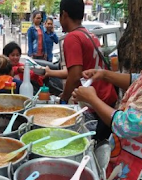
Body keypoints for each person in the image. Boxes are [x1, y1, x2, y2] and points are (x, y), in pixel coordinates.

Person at [72, 9, 142, 180]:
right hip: (134, 170)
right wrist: (103, 74)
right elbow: (136, 80)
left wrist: (92, 99)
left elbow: (126, 125)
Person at [58, 0, 117, 142]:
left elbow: (75, 75)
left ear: (64, 14)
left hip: (95, 104)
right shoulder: (89, 34)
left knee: (88, 145)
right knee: (101, 143)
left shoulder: (72, 37)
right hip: (108, 98)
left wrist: (64, 99)